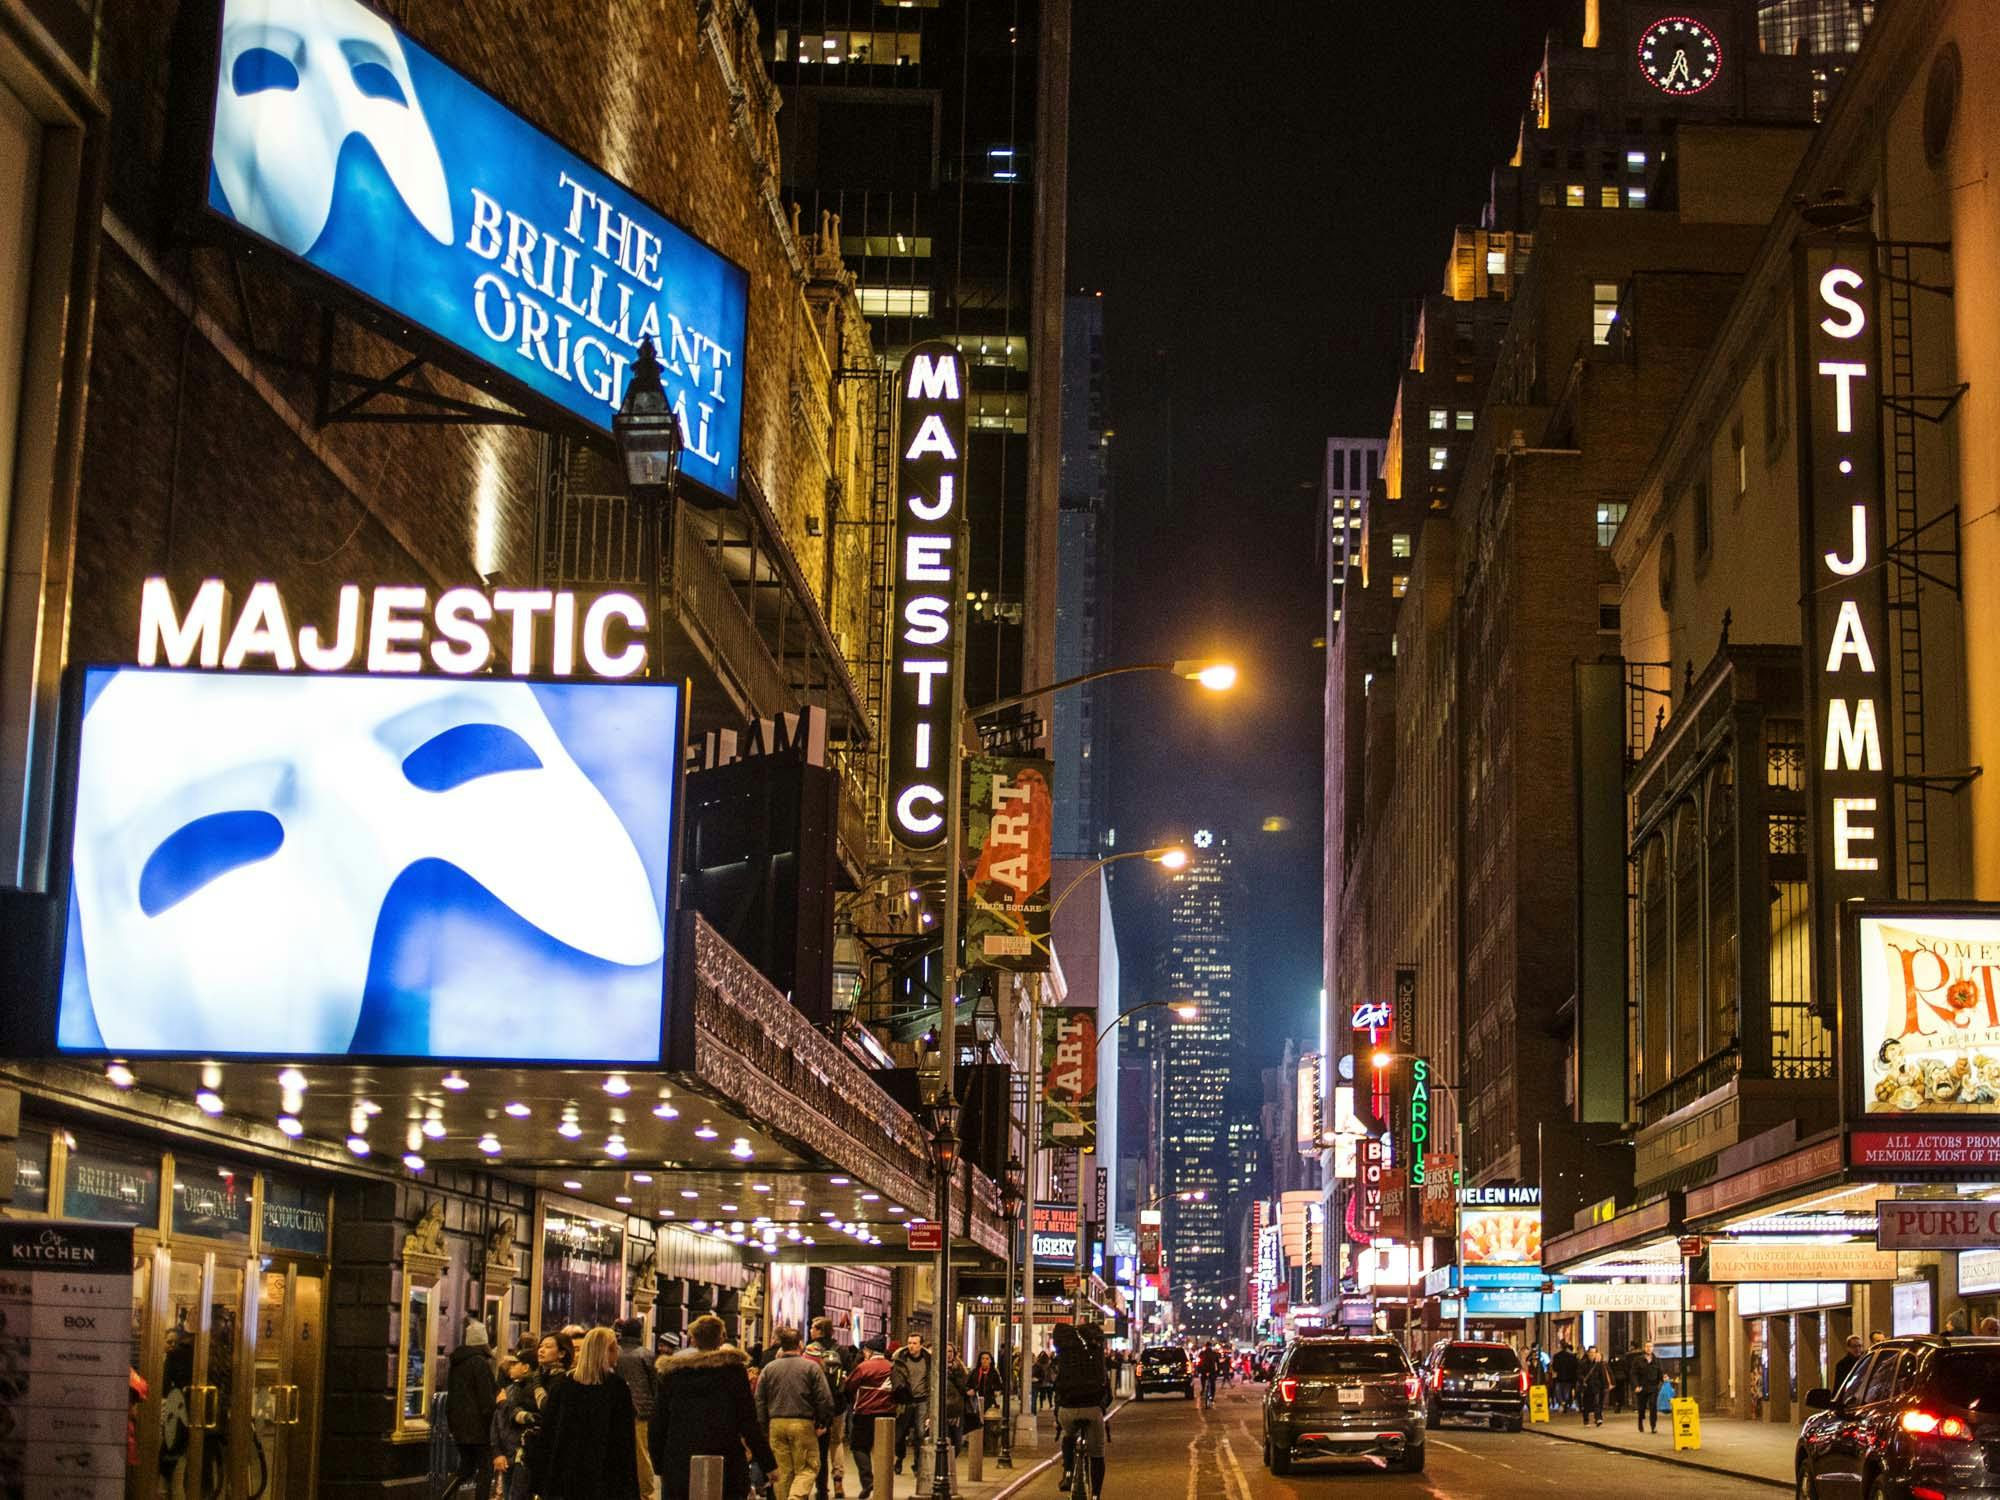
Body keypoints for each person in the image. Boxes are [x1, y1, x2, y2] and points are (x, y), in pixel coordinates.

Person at [653, 1313, 776, 1500]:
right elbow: (748, 1422)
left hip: (680, 1459)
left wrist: (659, 1463)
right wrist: (768, 1463)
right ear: (721, 1338)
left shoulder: (672, 1374)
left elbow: (659, 1422)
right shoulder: (734, 1373)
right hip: (727, 1459)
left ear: (693, 1339)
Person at [540, 1325, 641, 1499]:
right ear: (606, 1352)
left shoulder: (563, 1386)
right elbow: (624, 1441)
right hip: (605, 1476)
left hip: (567, 1476)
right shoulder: (616, 1388)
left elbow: (548, 1434)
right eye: (615, 1348)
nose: (618, 1352)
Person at [758, 1325, 833, 1500]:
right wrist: (823, 1422)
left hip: (776, 1423)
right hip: (802, 1423)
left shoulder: (769, 1369)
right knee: (808, 1467)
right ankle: (796, 1497)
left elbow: (759, 1400)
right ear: (800, 1344)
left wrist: (763, 1425)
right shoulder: (811, 1368)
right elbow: (825, 1398)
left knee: (783, 1472)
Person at [1052, 1323, 1111, 1500]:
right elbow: (1108, 1395)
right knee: (1097, 1453)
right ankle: (1095, 1495)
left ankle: (1068, 1473)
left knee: (1068, 1434)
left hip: (1067, 1410)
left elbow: (1058, 1390)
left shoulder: (1066, 1359)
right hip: (1092, 1409)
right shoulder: (1096, 1361)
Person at [443, 1320, 498, 1498]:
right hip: (478, 1428)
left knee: (466, 1467)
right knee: (485, 1468)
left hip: (459, 1425)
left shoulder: (457, 1363)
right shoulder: (479, 1363)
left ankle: (445, 1496)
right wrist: (492, 1416)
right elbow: (486, 1398)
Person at [803, 1317, 849, 1500]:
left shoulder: (810, 1350)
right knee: (836, 1442)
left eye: (813, 1328)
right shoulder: (841, 1350)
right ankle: (838, 1482)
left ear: (820, 1331)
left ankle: (820, 1487)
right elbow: (849, 1376)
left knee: (818, 1447)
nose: (810, 1330)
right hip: (837, 1404)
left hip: (816, 1405)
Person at [615, 1317, 659, 1499]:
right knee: (642, 1455)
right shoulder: (646, 1354)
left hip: (618, 1411)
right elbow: (655, 1386)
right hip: (641, 1411)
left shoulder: (614, 1353)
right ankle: (647, 1494)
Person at [846, 1341, 896, 1500]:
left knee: (859, 1447)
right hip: (889, 1414)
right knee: (885, 1451)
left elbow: (849, 1387)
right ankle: (884, 1485)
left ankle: (868, 1480)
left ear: (869, 1351)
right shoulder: (892, 1367)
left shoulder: (864, 1367)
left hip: (865, 1413)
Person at [492, 1354, 540, 1500]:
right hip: (507, 1454)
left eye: (515, 1364)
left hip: (523, 1453)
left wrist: (504, 1404)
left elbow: (522, 1418)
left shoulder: (534, 1392)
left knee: (517, 1495)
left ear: (526, 1368)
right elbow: (497, 1421)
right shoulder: (508, 1389)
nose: (511, 1367)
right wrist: (497, 1452)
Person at [890, 1332, 932, 1474]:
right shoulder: (901, 1359)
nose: (911, 1346)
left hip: (922, 1400)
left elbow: (931, 1380)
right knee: (900, 1434)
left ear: (921, 1345)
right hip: (905, 1401)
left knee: (920, 1434)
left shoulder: (928, 1360)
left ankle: (917, 1464)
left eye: (914, 1343)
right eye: (909, 1343)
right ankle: (900, 1458)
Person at [1628, 1341, 1665, 1434]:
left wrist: (1664, 1378)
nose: (1649, 1348)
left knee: (1653, 1406)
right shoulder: (1638, 1360)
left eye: (1650, 1346)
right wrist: (1636, 1386)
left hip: (1653, 1387)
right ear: (1644, 1348)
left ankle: (1653, 1426)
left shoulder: (1657, 1360)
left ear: (1653, 1348)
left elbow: (1660, 1373)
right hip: (1642, 1387)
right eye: (1647, 1346)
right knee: (1642, 1407)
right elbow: (1633, 1374)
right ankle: (1640, 1421)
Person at [971, 1351, 1003, 1444]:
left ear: (990, 1361)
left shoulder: (994, 1373)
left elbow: (999, 1386)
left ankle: (986, 1440)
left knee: (986, 1421)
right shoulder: (975, 1372)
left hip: (989, 1400)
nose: (984, 1361)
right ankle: (976, 1440)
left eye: (987, 1359)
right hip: (976, 1400)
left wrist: (996, 1390)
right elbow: (969, 1384)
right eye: (983, 1358)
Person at [1577, 1346, 1608, 1428]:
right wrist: (1582, 1380)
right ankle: (1586, 1419)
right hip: (1587, 1387)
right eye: (1591, 1352)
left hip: (1596, 1386)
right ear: (1588, 1353)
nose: (1592, 1354)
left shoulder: (1598, 1364)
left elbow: (1602, 1375)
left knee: (1597, 1403)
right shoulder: (1583, 1363)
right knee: (1586, 1404)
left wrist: (1605, 1386)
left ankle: (1598, 1418)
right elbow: (1579, 1374)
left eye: (1594, 1352)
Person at [1551, 1342, 1578, 1412]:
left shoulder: (1557, 1356)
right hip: (1569, 1378)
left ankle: (1561, 1403)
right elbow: (1575, 1367)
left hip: (1559, 1377)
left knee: (1558, 1391)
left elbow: (1554, 1367)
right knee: (1566, 1392)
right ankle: (1565, 1403)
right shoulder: (1572, 1357)